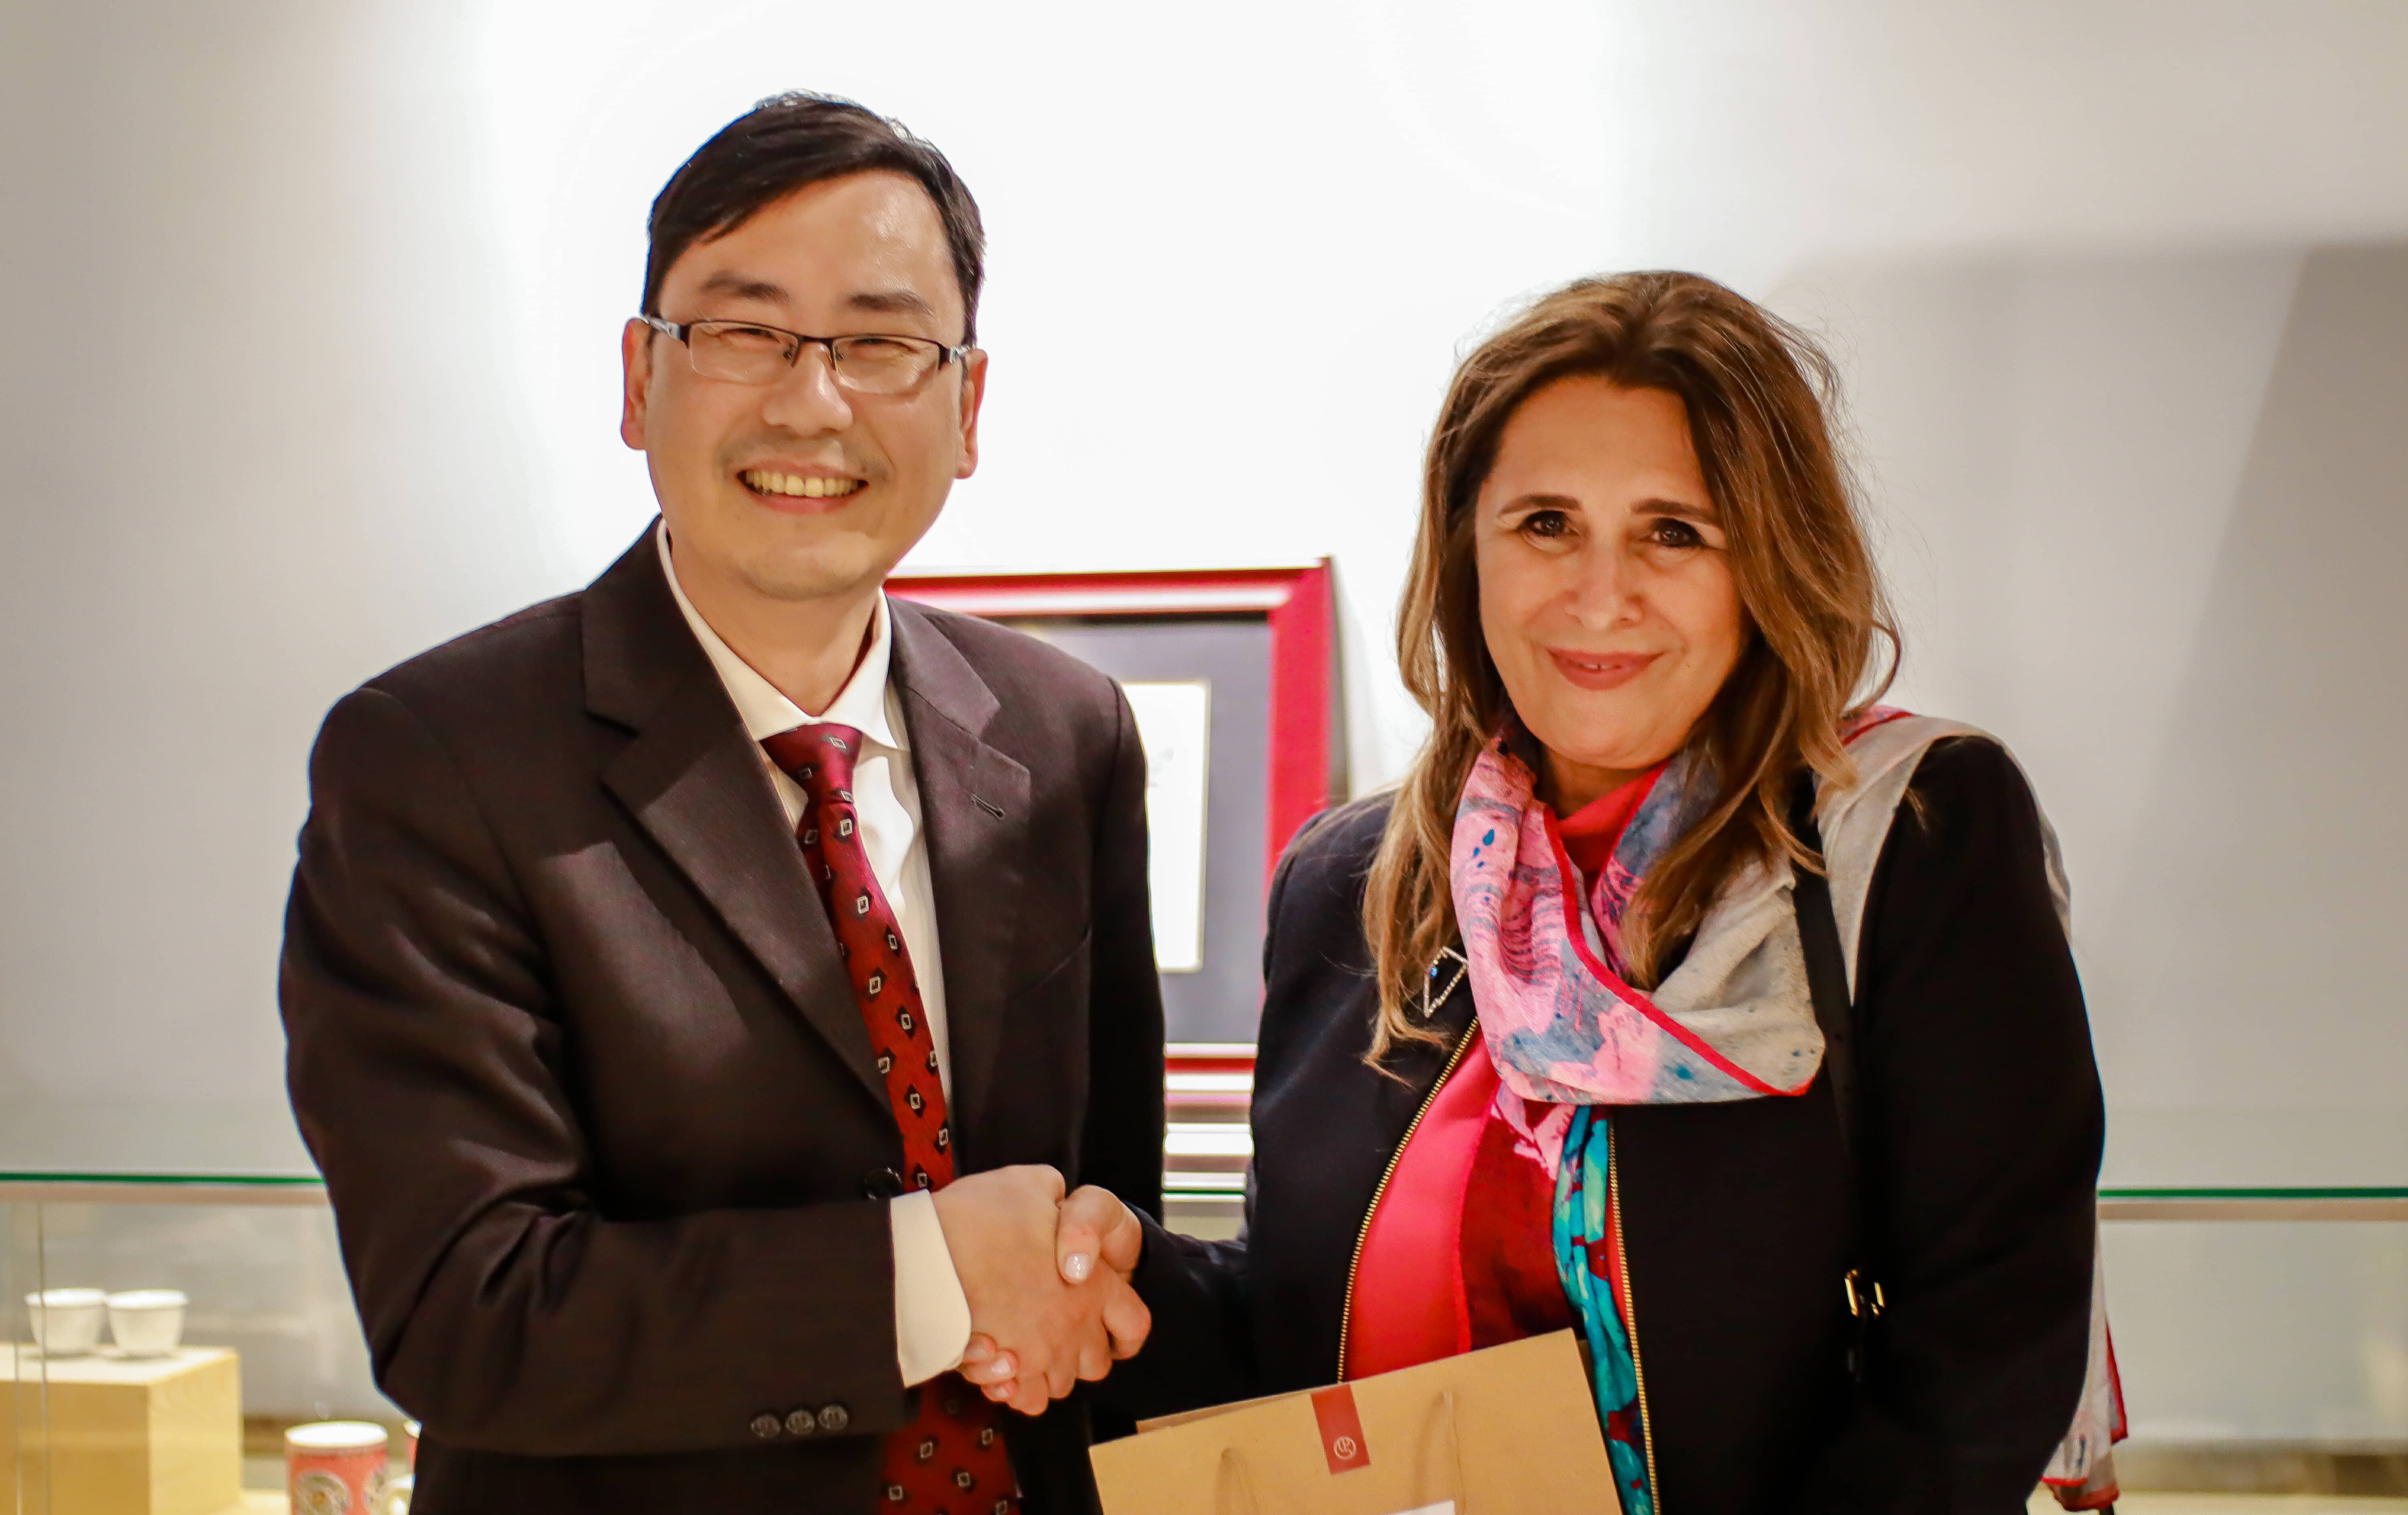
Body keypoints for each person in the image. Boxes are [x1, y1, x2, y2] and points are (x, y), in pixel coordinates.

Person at [972, 272, 2117, 1512]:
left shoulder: (1907, 837)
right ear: (1467, 548)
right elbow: (1299, 1331)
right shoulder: (1349, 881)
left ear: (1770, 561)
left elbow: (1988, 1349)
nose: (1600, 595)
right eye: (1547, 524)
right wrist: (1132, 1282)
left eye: (1675, 532)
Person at [281, 93, 1161, 1515]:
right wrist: (930, 1274)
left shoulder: (1067, 737)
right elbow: (469, 1311)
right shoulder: (435, 760)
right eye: (746, 333)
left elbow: (1110, 1200)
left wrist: (1094, 1255)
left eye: (881, 343)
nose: (812, 404)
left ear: (968, 407)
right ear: (641, 380)